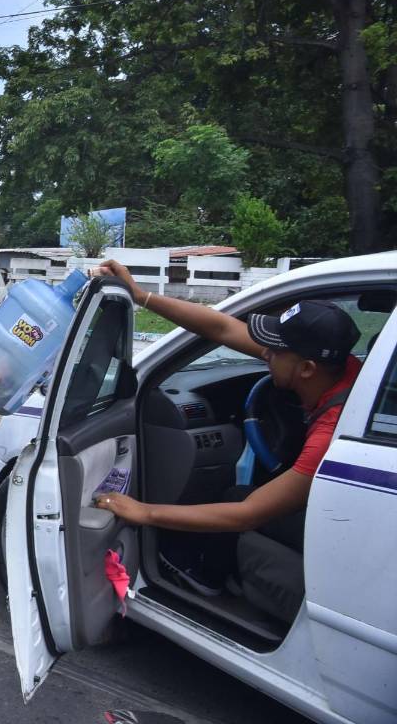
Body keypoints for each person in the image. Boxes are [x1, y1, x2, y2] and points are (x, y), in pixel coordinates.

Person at [93, 260, 362, 620]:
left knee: (244, 519)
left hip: (345, 539)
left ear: (306, 369)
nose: (265, 353)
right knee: (238, 492)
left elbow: (246, 516)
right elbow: (221, 327)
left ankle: (227, 582)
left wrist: (144, 512)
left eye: (275, 350)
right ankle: (210, 577)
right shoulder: (346, 370)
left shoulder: (332, 432)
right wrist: (141, 297)